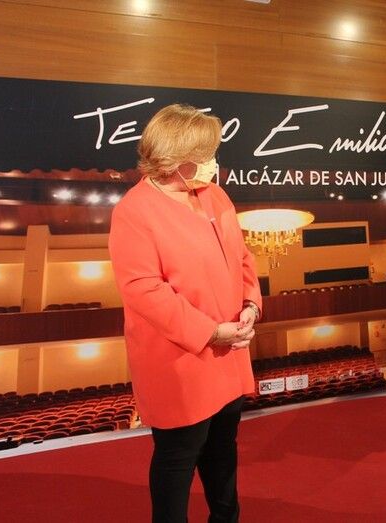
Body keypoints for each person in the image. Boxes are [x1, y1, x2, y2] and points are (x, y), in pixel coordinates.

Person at [108, 104, 262, 523]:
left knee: (223, 452)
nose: (214, 162)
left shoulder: (215, 194)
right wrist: (211, 331)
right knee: (178, 460)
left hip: (229, 354)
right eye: (207, 154)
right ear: (178, 160)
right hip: (179, 359)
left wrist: (250, 304)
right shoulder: (134, 211)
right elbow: (143, 289)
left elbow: (242, 257)